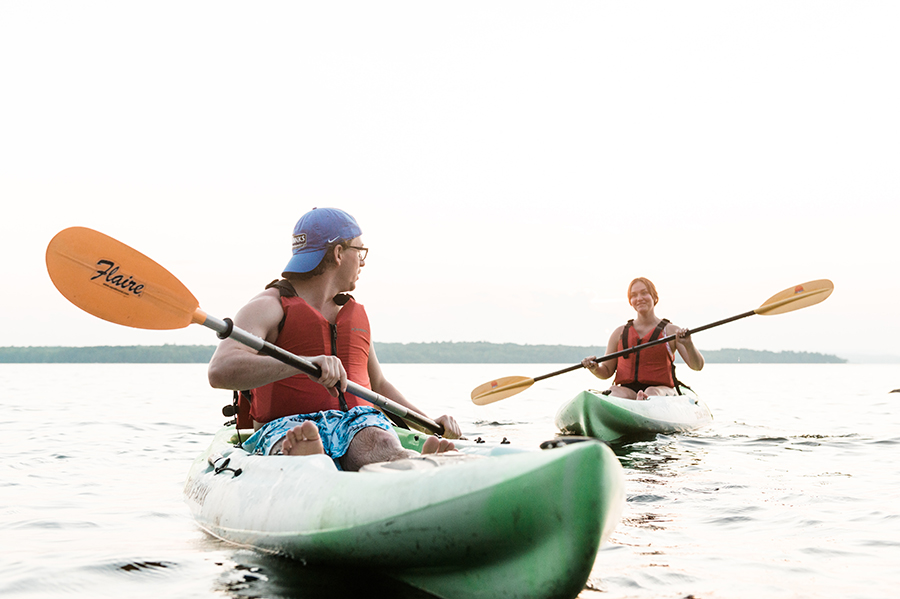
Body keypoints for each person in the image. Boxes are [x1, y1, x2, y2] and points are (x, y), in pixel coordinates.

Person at [207, 207, 461, 470]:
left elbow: (378, 386)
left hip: (356, 424)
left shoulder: (354, 315)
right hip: (287, 425)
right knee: (296, 441)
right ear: (339, 253)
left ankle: (410, 462)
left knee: (377, 440)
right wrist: (301, 364)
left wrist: (430, 423)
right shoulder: (269, 307)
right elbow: (219, 370)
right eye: (360, 252)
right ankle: (308, 460)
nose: (362, 262)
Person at [581, 277, 704, 400]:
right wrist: (594, 368)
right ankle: (636, 404)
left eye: (644, 293)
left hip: (661, 391)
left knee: (652, 392)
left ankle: (644, 401)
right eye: (634, 295)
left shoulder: (671, 331)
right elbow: (606, 371)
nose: (639, 298)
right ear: (630, 301)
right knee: (614, 391)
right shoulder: (619, 333)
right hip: (628, 391)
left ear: (654, 297)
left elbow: (697, 366)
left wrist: (689, 345)